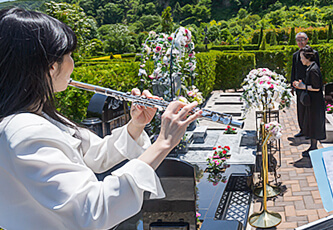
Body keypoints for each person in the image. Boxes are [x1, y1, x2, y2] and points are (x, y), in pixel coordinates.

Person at [0, 8, 202, 230]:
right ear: (51, 66)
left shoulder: (39, 117)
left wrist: (136, 125)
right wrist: (164, 142)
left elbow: (92, 156)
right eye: (69, 55)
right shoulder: (25, 131)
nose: (72, 63)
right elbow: (93, 211)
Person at [293, 45, 326, 157]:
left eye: (302, 57)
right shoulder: (311, 67)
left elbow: (317, 87)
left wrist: (303, 86)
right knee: (312, 123)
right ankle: (312, 147)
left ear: (307, 58)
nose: (301, 60)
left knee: (314, 124)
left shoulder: (313, 69)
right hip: (312, 102)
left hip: (315, 103)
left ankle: (313, 147)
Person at [291, 32, 320, 138]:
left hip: (309, 86)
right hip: (299, 86)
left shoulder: (314, 53)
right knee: (300, 109)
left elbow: (317, 69)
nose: (300, 42)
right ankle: (302, 130)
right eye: (298, 40)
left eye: (302, 39)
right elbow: (293, 70)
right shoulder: (295, 55)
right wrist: (292, 84)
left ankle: (309, 131)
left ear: (307, 40)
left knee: (309, 110)